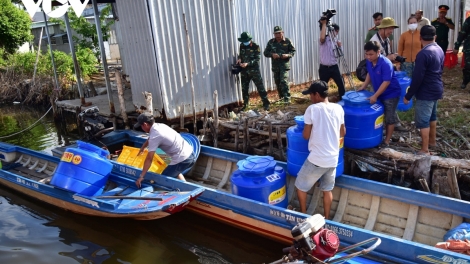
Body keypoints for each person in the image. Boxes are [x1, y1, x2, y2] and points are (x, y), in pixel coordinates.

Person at [295, 80, 345, 219]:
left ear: (316, 94)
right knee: (327, 190)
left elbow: (305, 136)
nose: (310, 98)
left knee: (300, 186)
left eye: (311, 95)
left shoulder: (312, 109)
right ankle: (327, 218)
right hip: (333, 159)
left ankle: (304, 215)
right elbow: (343, 133)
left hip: (317, 159)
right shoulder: (338, 108)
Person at [404, 25, 444, 155]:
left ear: (420, 37)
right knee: (432, 116)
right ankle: (432, 142)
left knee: (423, 121)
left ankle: (425, 149)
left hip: (426, 91)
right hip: (436, 88)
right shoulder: (439, 49)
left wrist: (408, 95)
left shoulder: (423, 54)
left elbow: (417, 78)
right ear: (435, 37)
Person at [358, 41, 402, 147]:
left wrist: (375, 95)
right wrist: (363, 86)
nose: (368, 57)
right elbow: (369, 73)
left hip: (391, 93)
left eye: (371, 54)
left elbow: (386, 82)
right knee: (379, 113)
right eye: (366, 54)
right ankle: (379, 133)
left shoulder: (386, 63)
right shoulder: (369, 61)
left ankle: (387, 141)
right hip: (379, 91)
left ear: (378, 52)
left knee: (389, 117)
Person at [134, 112, 196, 187]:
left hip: (183, 159)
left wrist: (141, 177)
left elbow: (149, 159)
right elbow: (151, 138)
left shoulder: (155, 136)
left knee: (162, 181)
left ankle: (182, 194)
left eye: (141, 126)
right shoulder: (160, 126)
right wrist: (143, 147)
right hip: (191, 153)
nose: (141, 128)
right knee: (174, 171)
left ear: (145, 124)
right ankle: (187, 188)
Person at [237, 32, 270, 111]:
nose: (245, 42)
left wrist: (248, 63)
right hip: (244, 71)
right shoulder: (241, 45)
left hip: (254, 71)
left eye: (246, 41)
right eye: (243, 41)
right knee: (244, 88)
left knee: (260, 87)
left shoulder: (255, 46)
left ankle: (266, 104)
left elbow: (257, 59)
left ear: (250, 39)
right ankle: (246, 105)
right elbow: (241, 55)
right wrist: (239, 59)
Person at [263, 26, 296, 104]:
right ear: (274, 34)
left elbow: (293, 51)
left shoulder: (287, 41)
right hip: (275, 66)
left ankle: (287, 99)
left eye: (279, 33)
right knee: (277, 82)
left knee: (283, 81)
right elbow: (265, 53)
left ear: (282, 33)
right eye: (275, 34)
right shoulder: (271, 42)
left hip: (284, 65)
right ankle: (281, 98)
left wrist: (287, 55)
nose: (277, 35)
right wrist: (272, 55)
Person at [319, 21, 345, 99]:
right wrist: (324, 24)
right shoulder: (324, 40)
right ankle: (323, 100)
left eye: (337, 31)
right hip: (324, 68)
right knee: (323, 86)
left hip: (334, 66)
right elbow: (322, 38)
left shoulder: (337, 41)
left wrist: (340, 47)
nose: (336, 33)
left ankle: (342, 98)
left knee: (341, 83)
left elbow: (340, 55)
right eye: (335, 31)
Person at [453, 16, 470, 89]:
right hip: (469, 48)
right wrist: (457, 46)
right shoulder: (469, 20)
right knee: (468, 67)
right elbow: (462, 33)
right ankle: (465, 81)